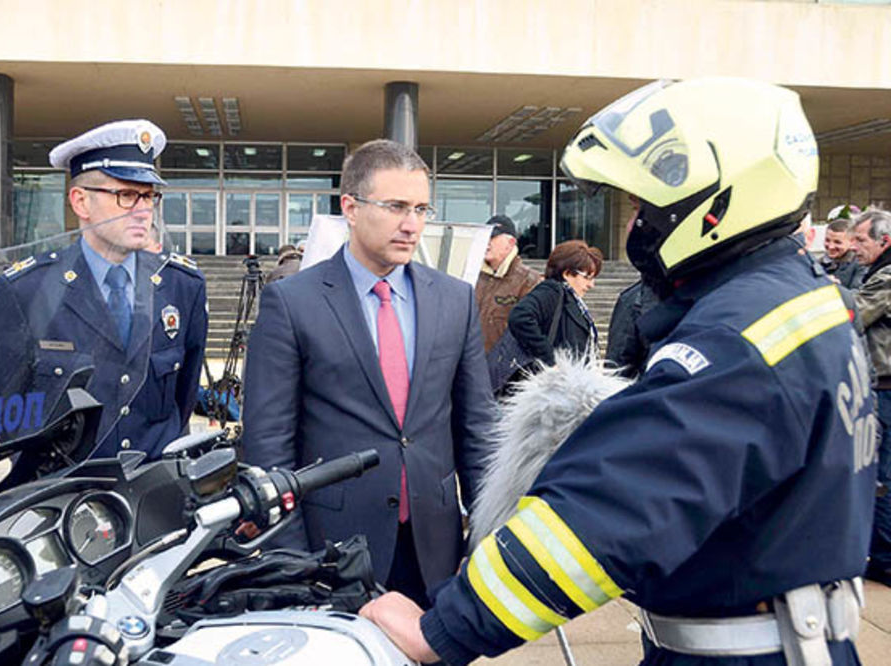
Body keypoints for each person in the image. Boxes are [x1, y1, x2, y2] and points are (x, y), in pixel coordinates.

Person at [361, 78, 875, 666]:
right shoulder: (793, 300)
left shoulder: (735, 343)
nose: (634, 227)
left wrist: (444, 628)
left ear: (716, 207)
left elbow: (600, 518)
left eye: (642, 208)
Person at [242, 139, 495, 607]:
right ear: (351, 208)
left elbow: (477, 430)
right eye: (396, 206)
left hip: (435, 550)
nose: (412, 224)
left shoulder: (455, 300)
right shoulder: (293, 303)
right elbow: (267, 445)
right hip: (332, 551)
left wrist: (485, 539)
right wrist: (294, 563)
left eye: (421, 209)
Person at [0, 119, 207, 458]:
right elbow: (4, 412)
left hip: (154, 492)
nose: (144, 211)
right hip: (69, 493)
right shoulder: (27, 289)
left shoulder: (181, 285)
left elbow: (183, 396)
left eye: (149, 196)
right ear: (81, 202)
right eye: (127, 195)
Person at [848, 208, 891, 585]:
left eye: (861, 239)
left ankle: (885, 557)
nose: (853, 246)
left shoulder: (888, 276)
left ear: (884, 241)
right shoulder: (877, 272)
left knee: (884, 476)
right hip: (879, 384)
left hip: (886, 388)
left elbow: (856, 314)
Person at [507, 239, 601, 367]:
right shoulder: (551, 292)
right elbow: (520, 316)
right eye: (587, 277)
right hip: (554, 381)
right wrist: (550, 358)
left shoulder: (571, 298)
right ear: (567, 273)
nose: (591, 285)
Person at [475, 215, 541, 352]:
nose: (487, 242)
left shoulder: (530, 281)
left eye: (492, 237)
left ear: (510, 243)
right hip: (471, 366)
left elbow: (532, 333)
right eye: (485, 236)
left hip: (506, 369)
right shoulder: (471, 276)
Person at [822, 214, 865, 289]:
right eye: (827, 240)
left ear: (852, 242)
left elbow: (858, 295)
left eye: (837, 242)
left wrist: (834, 287)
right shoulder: (818, 263)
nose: (831, 246)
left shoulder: (861, 264)